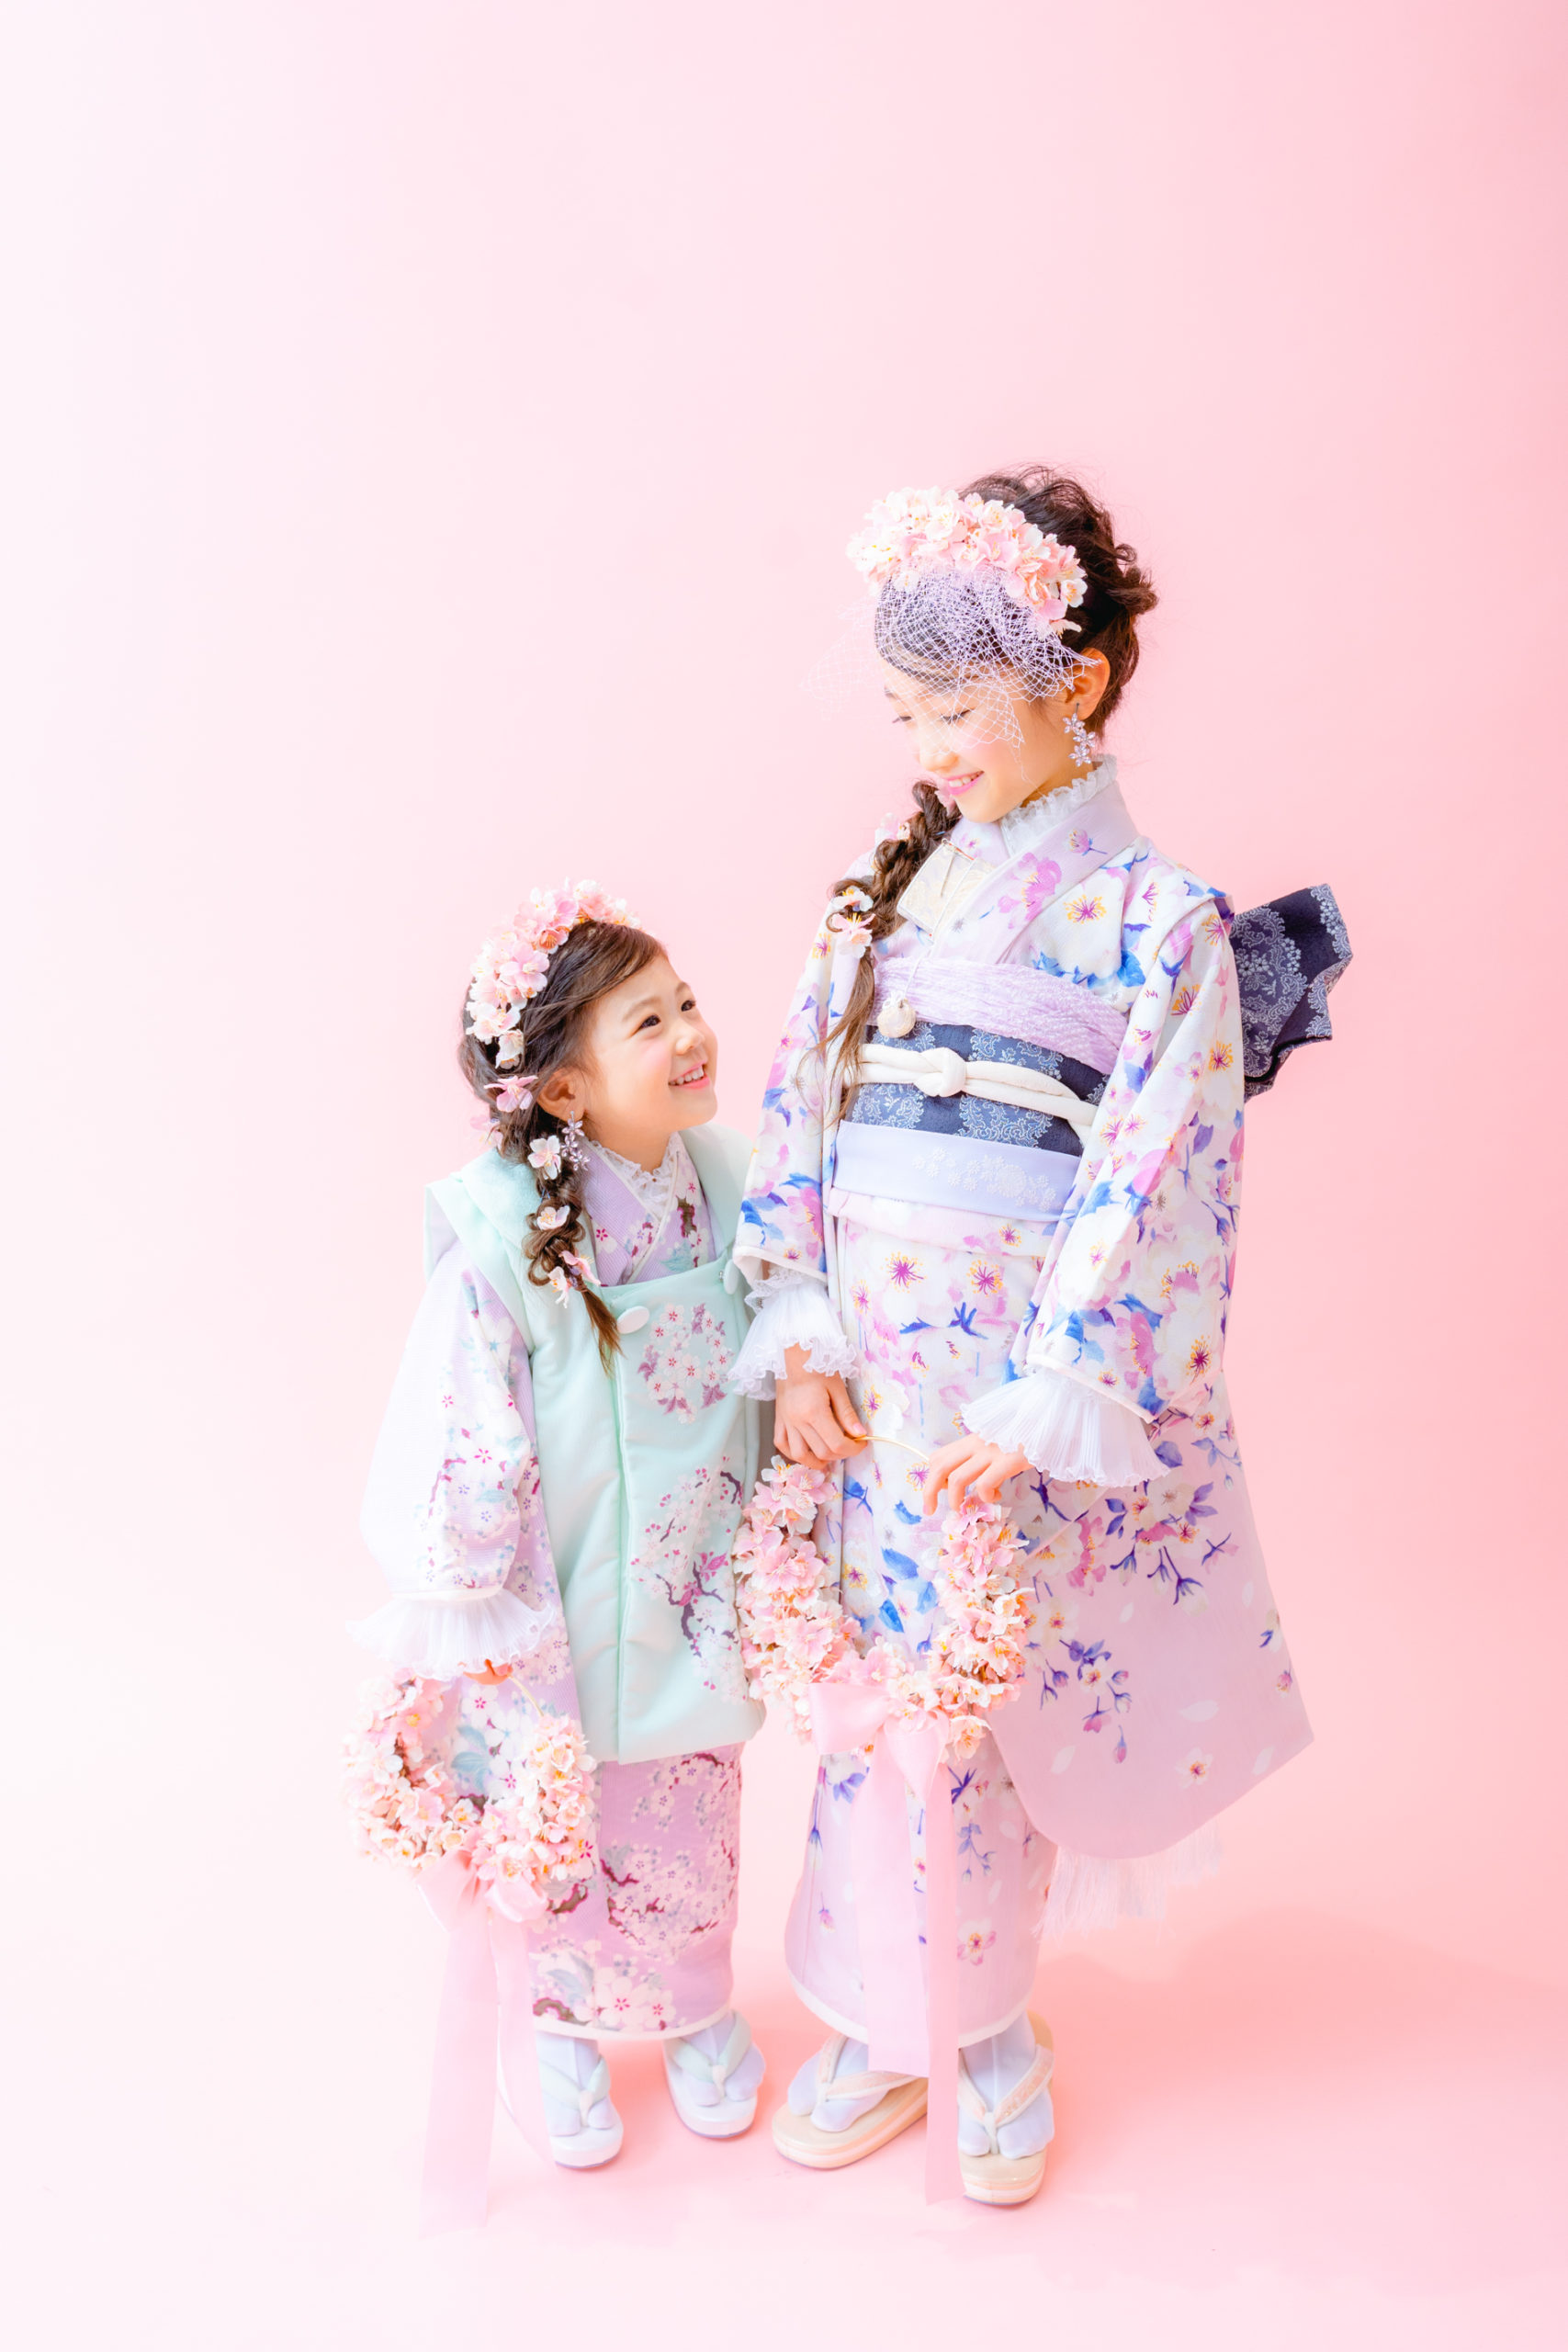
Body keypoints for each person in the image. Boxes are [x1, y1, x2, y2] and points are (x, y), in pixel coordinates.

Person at [728, 473, 1349, 2205]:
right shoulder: (881, 909)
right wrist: (799, 1337)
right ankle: (874, 2013)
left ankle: (983, 2023)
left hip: (1006, 1396)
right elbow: (798, 1122)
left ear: (1072, 684)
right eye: (906, 716)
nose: (931, 752)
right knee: (869, 1699)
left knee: (984, 1702)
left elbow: (1155, 1174)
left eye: (957, 712)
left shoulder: (1156, 922)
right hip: (873, 1377)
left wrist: (1055, 1386)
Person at [350, 884, 766, 2228]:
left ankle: (694, 2005)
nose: (691, 1033)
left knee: (688, 1799)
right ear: (567, 1088)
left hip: (697, 1560)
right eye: (649, 1021)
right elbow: (460, 1401)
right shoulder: (499, 1226)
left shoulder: (729, 1181)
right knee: (567, 1805)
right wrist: (470, 1570)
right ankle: (562, 2023)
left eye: (687, 1003)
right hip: (563, 1567)